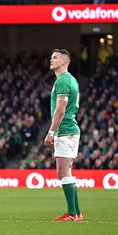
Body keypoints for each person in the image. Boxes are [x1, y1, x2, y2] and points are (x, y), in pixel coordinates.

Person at [44, 49, 83, 222]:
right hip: (70, 130)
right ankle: (77, 213)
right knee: (67, 172)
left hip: (65, 130)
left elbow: (60, 110)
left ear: (64, 62)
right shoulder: (71, 80)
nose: (51, 60)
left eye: (55, 58)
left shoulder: (63, 81)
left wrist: (51, 132)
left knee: (62, 172)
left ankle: (72, 213)